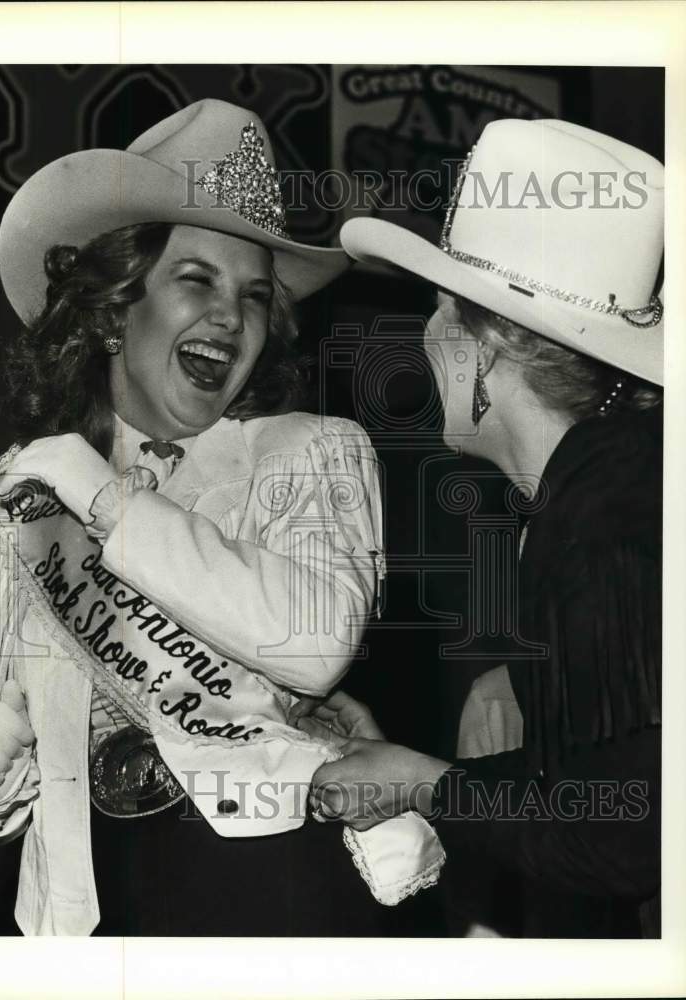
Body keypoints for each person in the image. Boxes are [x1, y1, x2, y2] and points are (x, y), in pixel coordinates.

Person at [0, 99, 442, 936]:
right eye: (196, 279)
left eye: (253, 296)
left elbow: (312, 647)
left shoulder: (309, 453)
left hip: (264, 882)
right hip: (83, 914)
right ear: (110, 310)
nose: (230, 319)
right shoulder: (11, 500)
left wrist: (104, 499)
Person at [302, 118, 664, 938]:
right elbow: (608, 778)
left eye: (439, 313)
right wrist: (419, 770)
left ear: (489, 350)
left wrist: (424, 783)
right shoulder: (610, 478)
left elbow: (624, 835)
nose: (423, 340)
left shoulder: (602, 515)